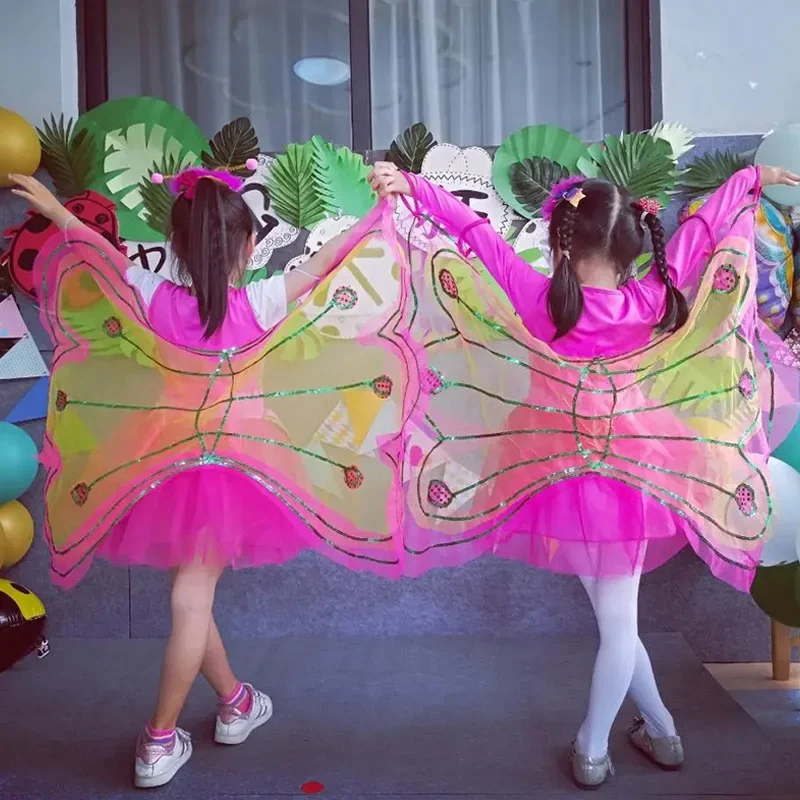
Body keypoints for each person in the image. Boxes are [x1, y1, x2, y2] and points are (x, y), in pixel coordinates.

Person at [368, 160, 800, 789]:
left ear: (562, 242)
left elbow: (473, 234)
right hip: (637, 479)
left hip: (564, 480)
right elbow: (703, 233)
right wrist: (750, 179)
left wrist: (416, 187)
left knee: (615, 622)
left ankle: (593, 746)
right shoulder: (654, 298)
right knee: (616, 622)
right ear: (632, 246)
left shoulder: (539, 298)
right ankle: (662, 731)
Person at [9, 169, 375, 789]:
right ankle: (159, 739)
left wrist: (58, 212)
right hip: (236, 467)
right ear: (249, 247)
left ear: (176, 246)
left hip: (165, 464)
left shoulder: (155, 295)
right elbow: (332, 261)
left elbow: (103, 254)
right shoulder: (260, 301)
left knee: (189, 595)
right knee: (190, 599)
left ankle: (235, 702)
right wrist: (378, 218)